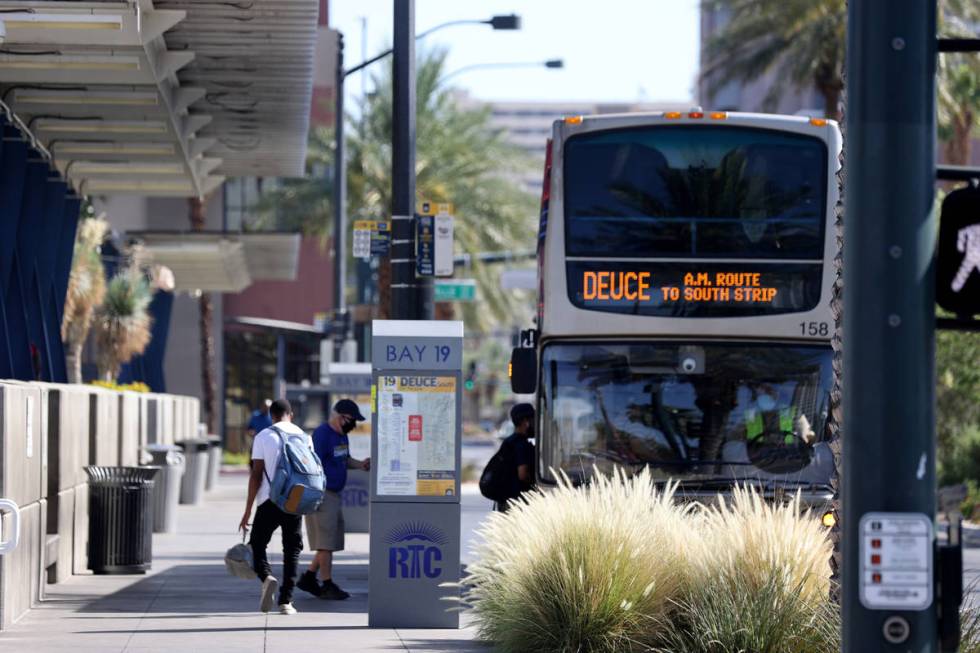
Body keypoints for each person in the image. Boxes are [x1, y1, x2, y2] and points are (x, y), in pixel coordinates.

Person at [238, 399, 310, 615]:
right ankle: (286, 602)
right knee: (292, 549)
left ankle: (266, 576)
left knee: (257, 544)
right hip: (295, 499)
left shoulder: (263, 436)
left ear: (272, 416)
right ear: (291, 414)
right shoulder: (305, 437)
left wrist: (248, 509)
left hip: (269, 500)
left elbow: (256, 475)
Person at [296, 399, 370, 600]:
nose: (353, 424)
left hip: (335, 495)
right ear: (339, 417)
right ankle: (327, 584)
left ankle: (309, 577)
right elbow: (313, 465)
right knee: (326, 544)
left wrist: (361, 465)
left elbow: (344, 459)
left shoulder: (342, 437)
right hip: (322, 494)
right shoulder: (322, 435)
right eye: (351, 419)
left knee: (329, 542)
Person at [496, 403, 536, 513]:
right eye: (533, 419)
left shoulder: (509, 442)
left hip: (506, 501)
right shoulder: (521, 445)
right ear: (525, 421)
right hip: (517, 504)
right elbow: (522, 474)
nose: (535, 424)